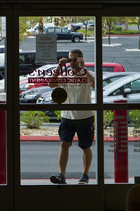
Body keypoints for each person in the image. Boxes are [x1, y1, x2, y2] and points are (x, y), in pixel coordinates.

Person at [48, 48, 95, 185]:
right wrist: (59, 66)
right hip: (67, 116)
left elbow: (93, 83)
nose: (72, 62)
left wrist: (83, 68)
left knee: (85, 146)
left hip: (84, 116)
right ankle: (61, 176)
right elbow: (51, 84)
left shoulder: (87, 74)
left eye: (75, 60)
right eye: (70, 60)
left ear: (80, 59)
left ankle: (85, 175)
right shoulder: (66, 75)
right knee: (64, 144)